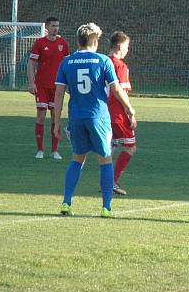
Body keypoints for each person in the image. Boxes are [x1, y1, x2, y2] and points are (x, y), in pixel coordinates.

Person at [52, 23, 136, 218]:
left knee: (77, 159)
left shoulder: (66, 62)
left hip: (76, 117)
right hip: (98, 117)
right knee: (105, 160)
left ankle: (66, 203)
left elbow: (58, 95)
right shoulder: (103, 61)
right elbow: (116, 89)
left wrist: (56, 121)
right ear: (95, 41)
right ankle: (106, 208)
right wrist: (129, 108)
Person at [28, 17, 70, 159]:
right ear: (47, 27)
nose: (55, 28)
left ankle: (54, 151)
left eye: (57, 26)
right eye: (53, 26)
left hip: (57, 87)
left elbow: (67, 65)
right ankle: (40, 149)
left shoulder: (63, 43)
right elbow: (31, 63)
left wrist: (68, 82)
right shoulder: (40, 43)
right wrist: (31, 82)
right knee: (41, 116)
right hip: (41, 85)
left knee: (55, 117)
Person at [108, 31, 136, 195]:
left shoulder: (102, 61)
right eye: (126, 46)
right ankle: (112, 181)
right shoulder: (120, 66)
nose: (127, 50)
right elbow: (122, 92)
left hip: (102, 113)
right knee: (130, 147)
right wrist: (131, 112)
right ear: (119, 46)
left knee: (110, 148)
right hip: (117, 114)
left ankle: (107, 181)